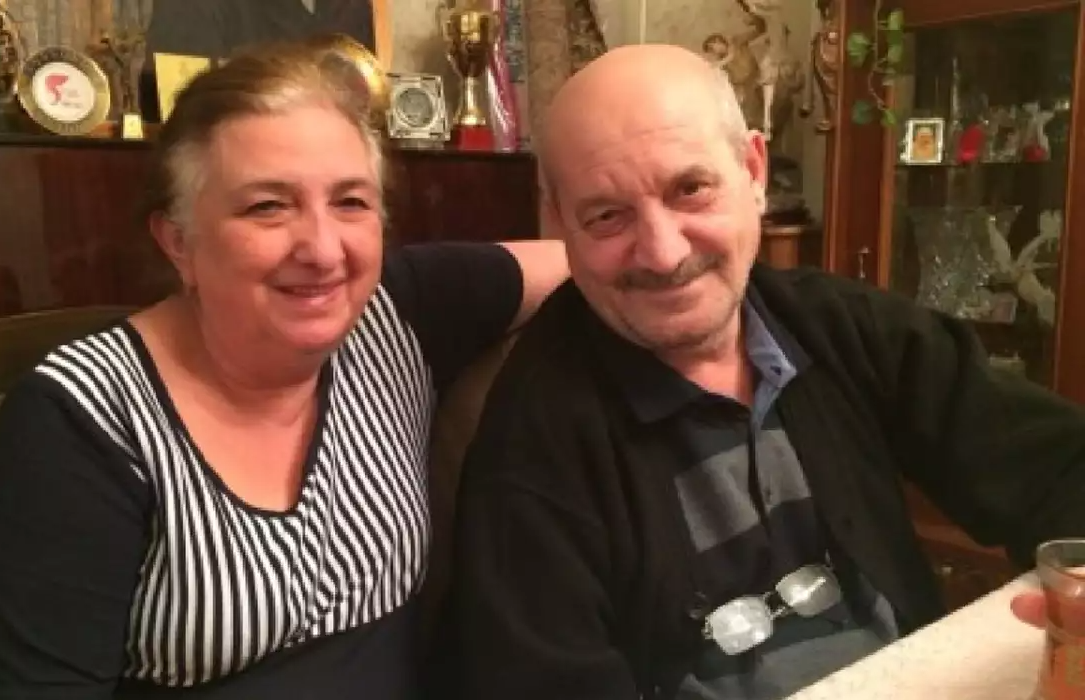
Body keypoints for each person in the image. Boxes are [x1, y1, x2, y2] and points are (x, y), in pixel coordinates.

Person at [441, 44, 1085, 699]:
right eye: (607, 215)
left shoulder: (842, 325)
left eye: (690, 189)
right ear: (557, 222)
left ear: (753, 169)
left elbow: (1057, 466)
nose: (663, 254)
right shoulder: (532, 451)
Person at [0, 42, 565, 699]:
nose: (323, 250)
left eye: (351, 202)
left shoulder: (399, 313)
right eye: (268, 206)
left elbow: (600, 263)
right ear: (178, 241)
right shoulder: (78, 424)